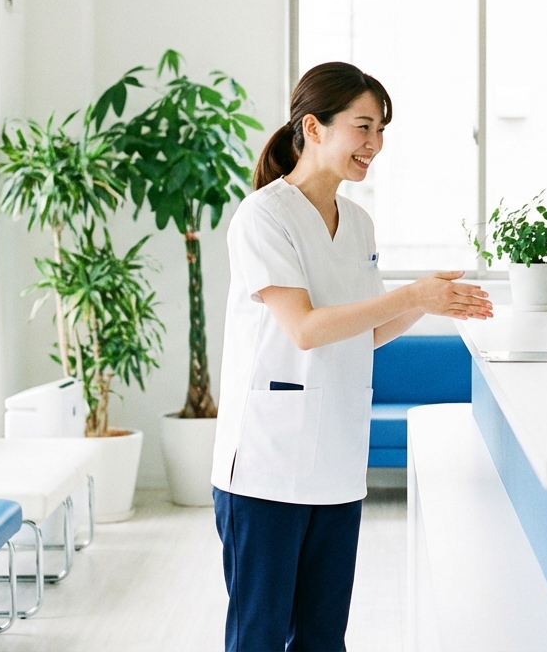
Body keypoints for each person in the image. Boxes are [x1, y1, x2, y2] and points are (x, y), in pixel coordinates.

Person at [211, 62, 493, 652]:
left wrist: (430, 303)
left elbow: (365, 331)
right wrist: (411, 295)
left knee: (323, 639)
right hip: (266, 465)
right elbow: (305, 329)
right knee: (259, 637)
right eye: (363, 127)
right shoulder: (263, 216)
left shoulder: (358, 223)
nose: (375, 144)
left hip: (337, 465)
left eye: (381, 130)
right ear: (313, 128)